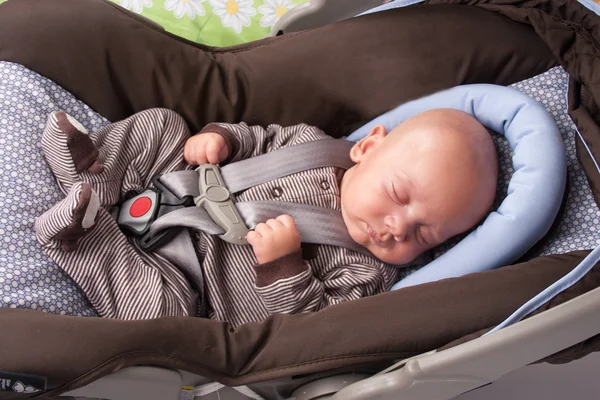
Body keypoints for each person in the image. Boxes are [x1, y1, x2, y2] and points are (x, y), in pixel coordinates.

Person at [35, 108, 497, 326]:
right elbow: (259, 138)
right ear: (369, 147)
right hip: (165, 185)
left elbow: (313, 324)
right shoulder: (311, 139)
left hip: (184, 280)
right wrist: (220, 140)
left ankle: (83, 234)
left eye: (422, 234)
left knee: (161, 321)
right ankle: (94, 171)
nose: (398, 227)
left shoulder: (367, 272)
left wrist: (283, 266)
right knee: (164, 125)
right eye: (398, 195)